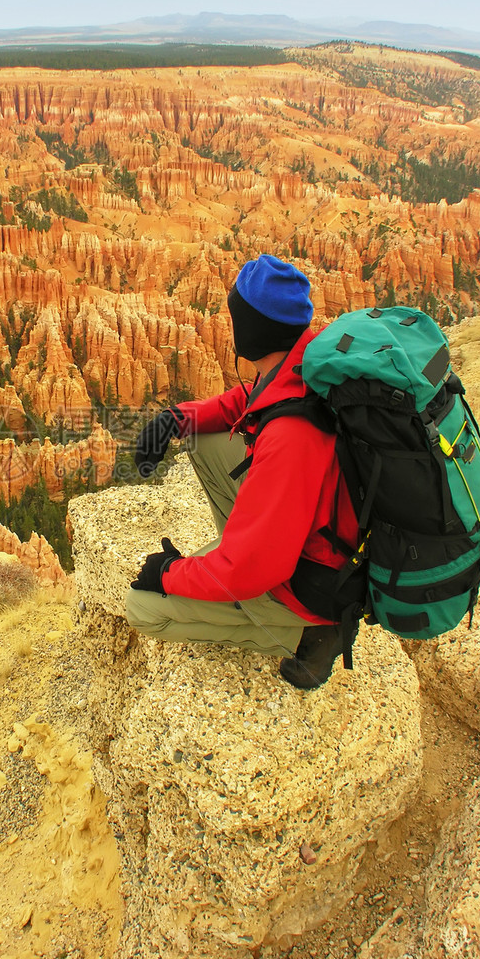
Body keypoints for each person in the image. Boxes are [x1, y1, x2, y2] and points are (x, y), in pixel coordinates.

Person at [127, 253, 360, 689]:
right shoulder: (310, 363)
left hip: (310, 582)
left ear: (250, 329)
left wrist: (168, 573)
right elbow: (248, 400)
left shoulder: (291, 436)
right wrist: (176, 419)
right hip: (317, 528)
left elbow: (250, 571)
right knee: (205, 436)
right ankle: (243, 544)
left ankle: (304, 633)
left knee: (141, 607)